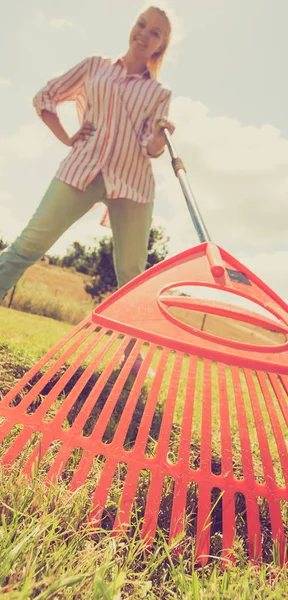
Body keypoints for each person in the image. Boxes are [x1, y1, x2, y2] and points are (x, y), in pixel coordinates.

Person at [0, 6, 175, 374]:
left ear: (161, 46)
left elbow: (151, 148)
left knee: (132, 275)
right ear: (133, 27)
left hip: (133, 184)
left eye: (155, 33)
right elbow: (45, 98)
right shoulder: (94, 66)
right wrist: (67, 137)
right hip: (82, 169)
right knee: (28, 245)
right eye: (142, 24)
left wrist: (159, 136)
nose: (144, 33)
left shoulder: (159, 92)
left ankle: (131, 359)